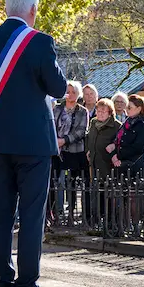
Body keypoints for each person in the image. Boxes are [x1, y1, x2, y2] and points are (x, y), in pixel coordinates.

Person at [0, 0, 66, 287]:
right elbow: (58, 88)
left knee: (0, 215)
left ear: (6, 9)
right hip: (34, 144)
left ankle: (3, 283)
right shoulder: (40, 42)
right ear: (33, 11)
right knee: (31, 216)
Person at [52, 80, 89, 216]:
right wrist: (55, 140)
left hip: (74, 151)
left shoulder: (82, 111)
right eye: (68, 92)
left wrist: (65, 140)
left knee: (72, 183)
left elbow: (81, 131)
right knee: (55, 180)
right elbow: (51, 126)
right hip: (56, 150)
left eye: (74, 92)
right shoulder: (57, 108)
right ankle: (55, 211)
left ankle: (72, 212)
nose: (70, 94)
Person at [107, 95, 144, 178]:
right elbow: (117, 139)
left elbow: (137, 147)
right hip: (121, 165)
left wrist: (118, 156)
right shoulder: (127, 122)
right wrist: (113, 154)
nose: (126, 110)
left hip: (135, 165)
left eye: (129, 107)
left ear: (139, 108)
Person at [86, 98, 121, 179]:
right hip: (93, 161)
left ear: (110, 113)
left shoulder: (117, 126)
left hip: (107, 162)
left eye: (103, 112)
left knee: (106, 187)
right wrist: (88, 149)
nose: (100, 114)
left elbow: (120, 143)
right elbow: (88, 137)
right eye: (98, 111)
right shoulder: (93, 122)